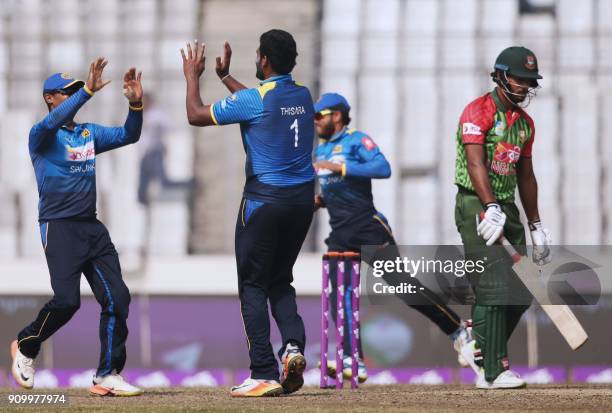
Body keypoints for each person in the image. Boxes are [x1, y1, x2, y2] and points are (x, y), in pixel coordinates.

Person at [181, 30, 315, 397]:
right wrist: (225, 78)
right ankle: (293, 347)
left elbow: (195, 115)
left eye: (258, 55)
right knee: (280, 281)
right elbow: (255, 103)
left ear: (265, 60)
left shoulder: (256, 99)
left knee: (253, 285)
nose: (256, 60)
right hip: (302, 203)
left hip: (263, 202)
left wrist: (194, 76)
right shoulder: (303, 96)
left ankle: (263, 371)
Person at [313, 93, 472, 383]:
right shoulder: (322, 151)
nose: (315, 122)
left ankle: (458, 330)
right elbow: (338, 190)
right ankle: (353, 359)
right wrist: (322, 201)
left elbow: (382, 168)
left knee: (404, 287)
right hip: (340, 233)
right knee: (339, 296)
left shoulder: (357, 141)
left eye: (318, 115)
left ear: (336, 115)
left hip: (369, 228)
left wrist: (343, 168)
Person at [10, 58, 145, 396]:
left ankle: (106, 375)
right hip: (59, 227)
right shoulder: (40, 135)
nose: (73, 98)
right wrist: (86, 90)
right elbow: (55, 120)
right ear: (50, 99)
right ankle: (26, 345)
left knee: (119, 298)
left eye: (75, 92)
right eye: (66, 93)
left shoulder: (88, 133)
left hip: (91, 227)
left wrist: (135, 103)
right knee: (68, 301)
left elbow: (130, 134)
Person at [454, 46, 551, 389]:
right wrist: (490, 205)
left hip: (507, 208)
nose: (524, 85)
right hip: (475, 206)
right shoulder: (477, 112)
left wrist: (535, 224)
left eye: (529, 80)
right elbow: (476, 163)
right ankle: (493, 372)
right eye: (518, 78)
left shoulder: (525, 125)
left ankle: (475, 341)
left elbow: (526, 175)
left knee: (522, 289)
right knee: (494, 287)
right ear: (499, 75)